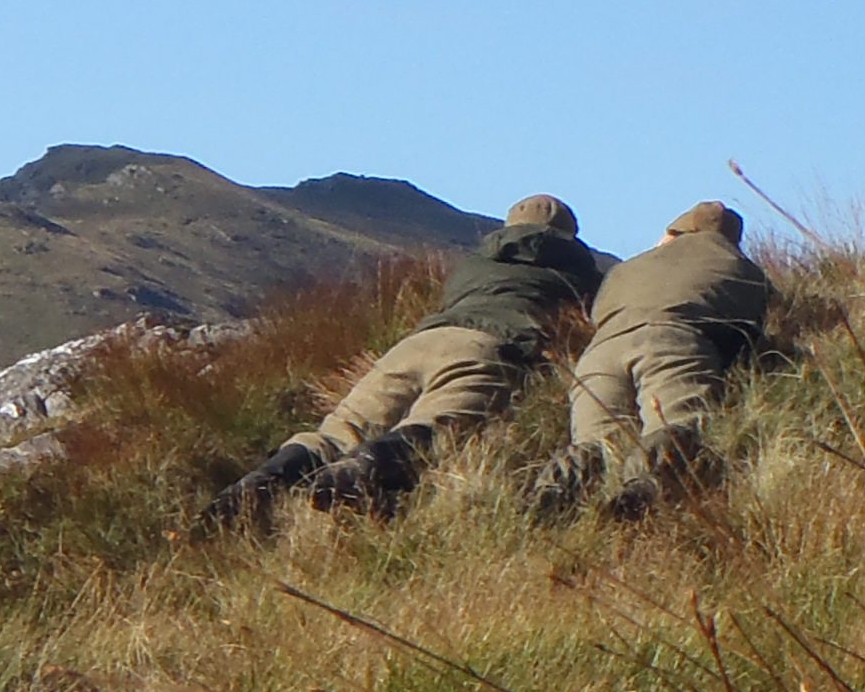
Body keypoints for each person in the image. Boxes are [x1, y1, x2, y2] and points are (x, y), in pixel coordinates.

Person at [222, 196, 605, 518]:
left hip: (417, 343)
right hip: (489, 345)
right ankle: (363, 470)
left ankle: (258, 484)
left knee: (341, 430)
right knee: (438, 427)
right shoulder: (578, 267)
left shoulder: (474, 264)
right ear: (569, 234)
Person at [529, 200, 775, 516]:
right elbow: (750, 327)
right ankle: (639, 501)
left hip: (600, 353)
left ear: (674, 233)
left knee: (596, 445)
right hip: (673, 340)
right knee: (677, 427)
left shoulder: (626, 268)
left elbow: (597, 313)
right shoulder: (741, 266)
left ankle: (553, 498)